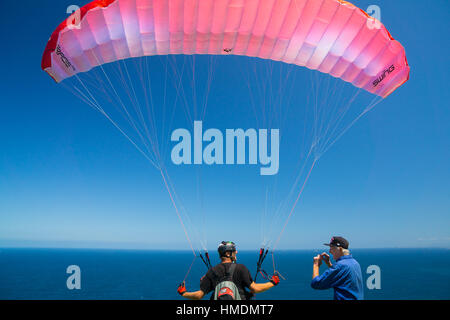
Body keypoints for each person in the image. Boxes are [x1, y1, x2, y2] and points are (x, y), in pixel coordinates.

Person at [177, 241, 279, 300]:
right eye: (234, 250)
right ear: (228, 253)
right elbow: (255, 288)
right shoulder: (241, 268)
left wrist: (184, 293)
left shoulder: (211, 272)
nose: (236, 252)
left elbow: (199, 295)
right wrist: (273, 282)